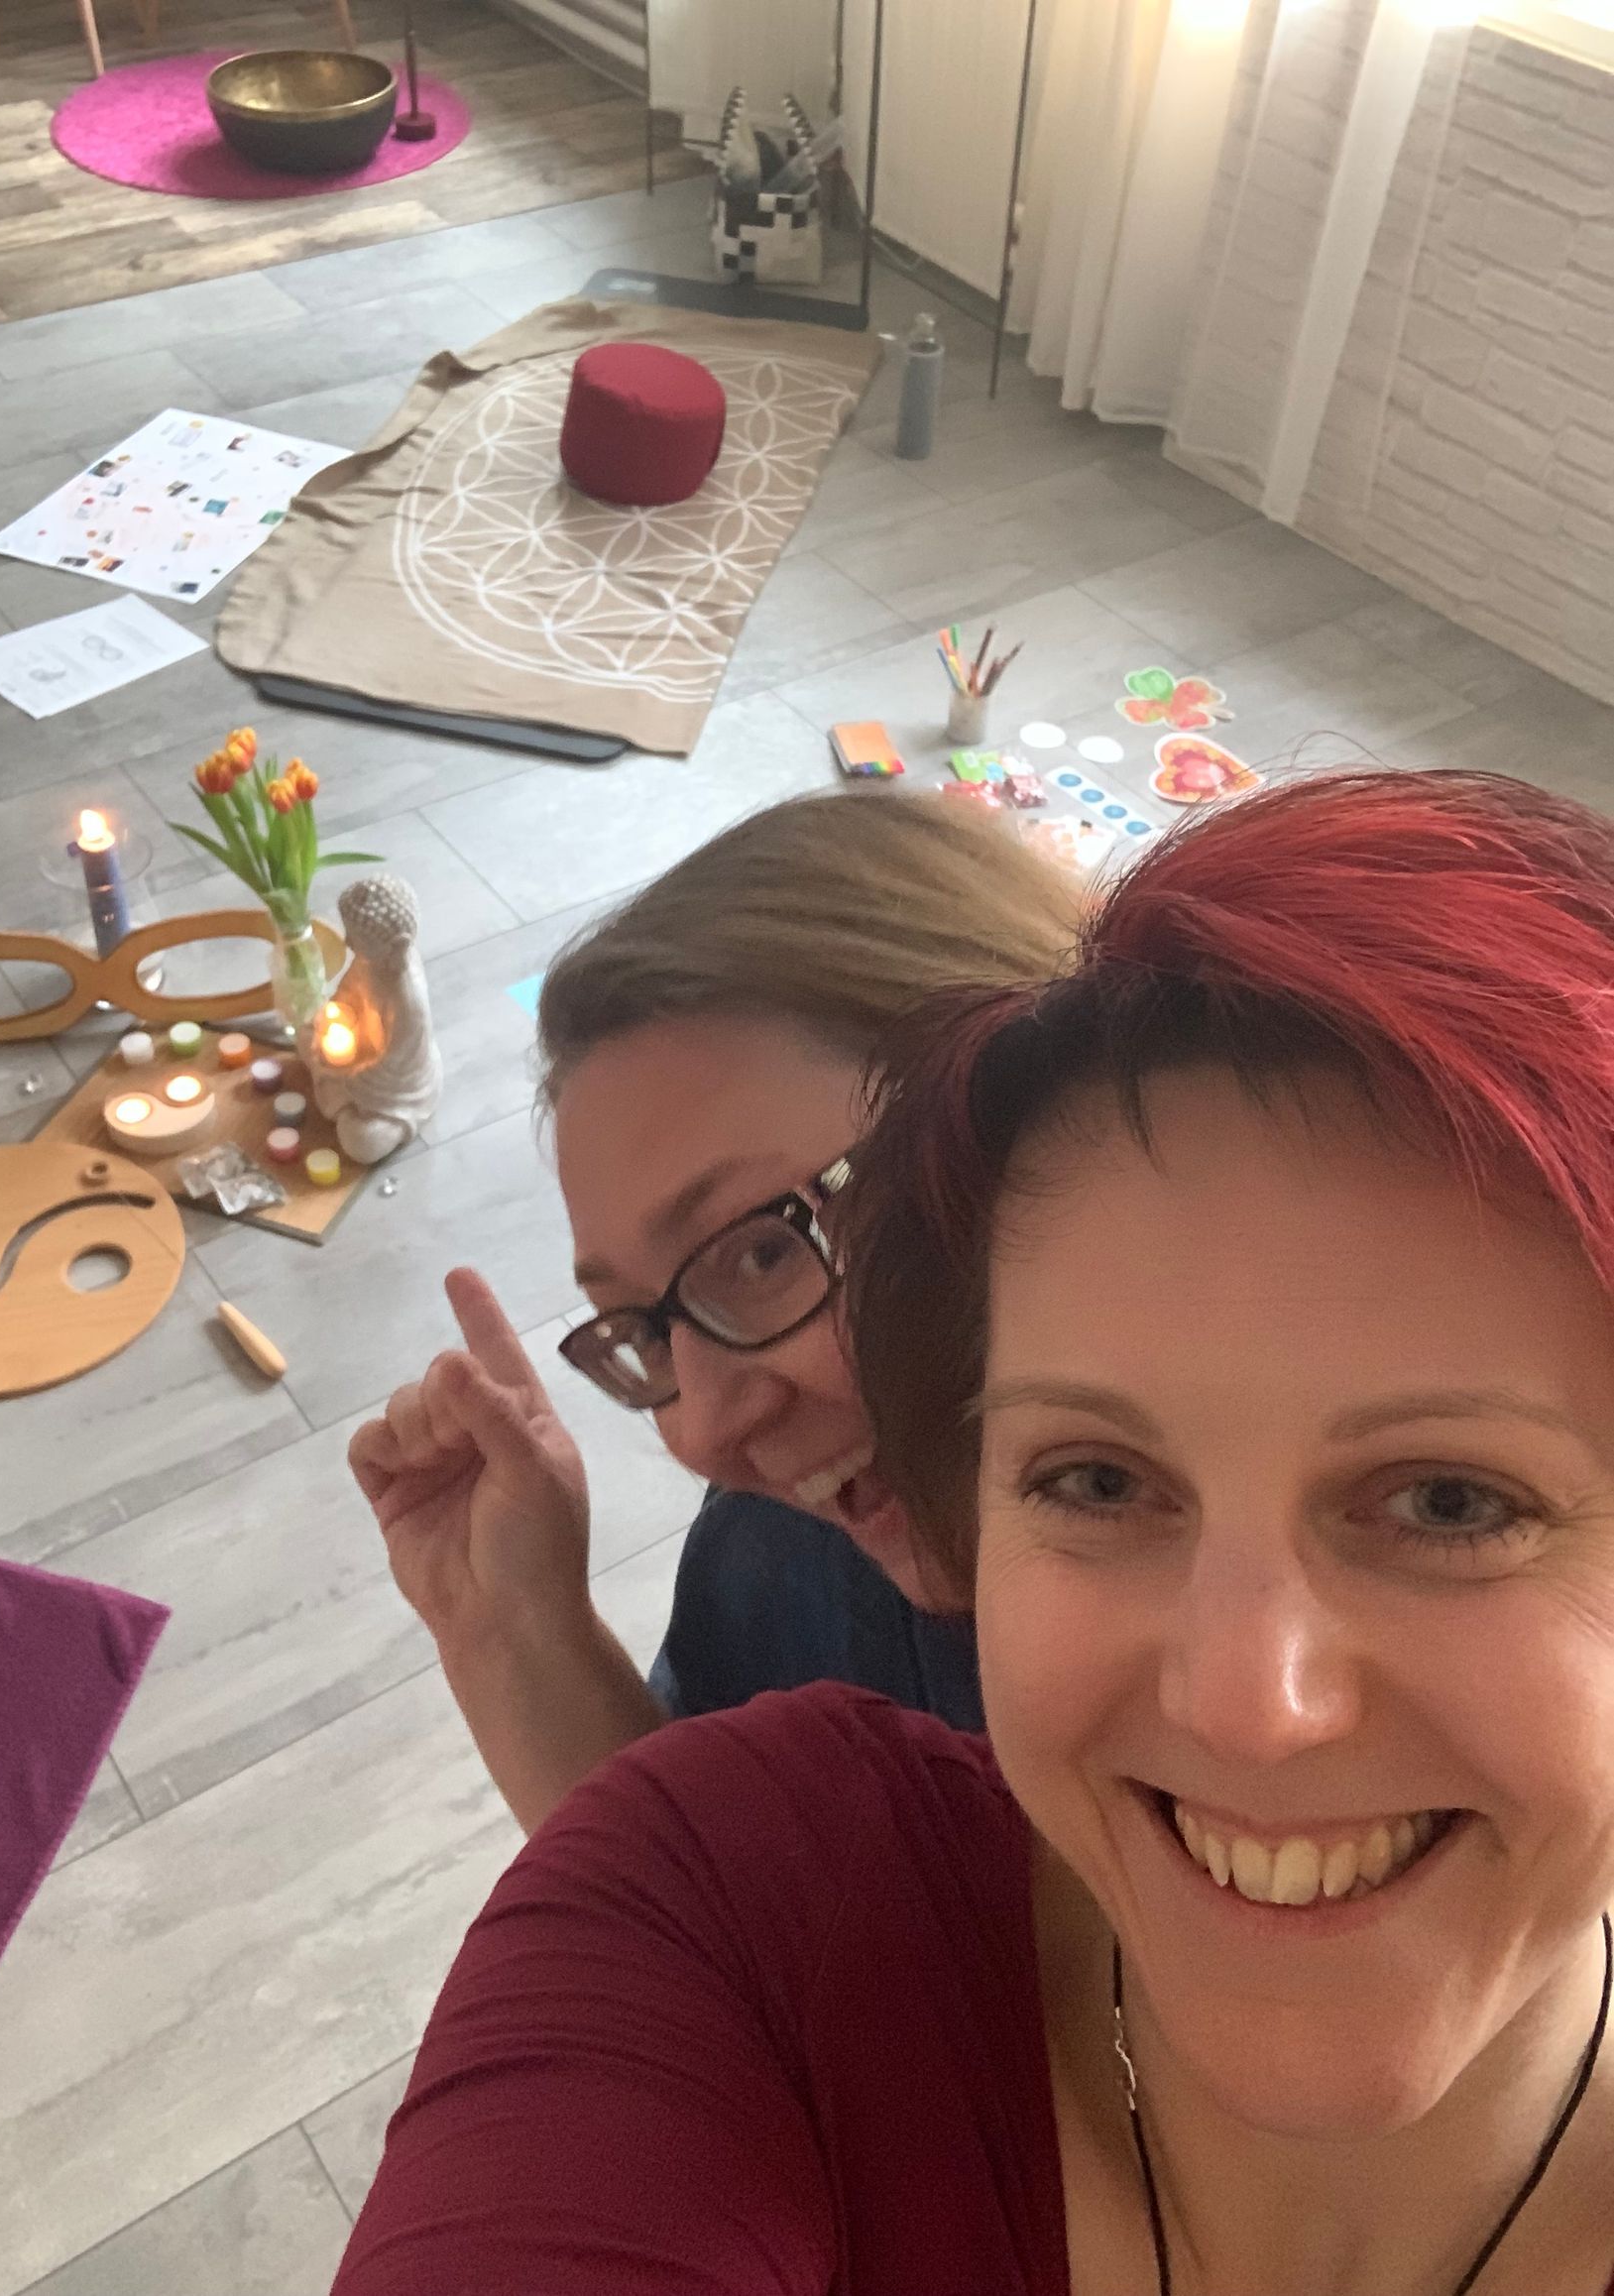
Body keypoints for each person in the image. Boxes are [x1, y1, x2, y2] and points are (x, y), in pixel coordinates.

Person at [336, 769, 1614, 2296]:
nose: (702, 1426)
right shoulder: (781, 1571)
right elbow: (714, 1917)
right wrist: (518, 1637)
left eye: (1449, 1503)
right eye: (1095, 1480)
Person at [348, 791, 1081, 1829]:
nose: (701, 1428)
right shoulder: (792, 1550)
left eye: (761, 1254)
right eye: (644, 1331)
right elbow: (712, 1888)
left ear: (1040, 1104)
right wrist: (509, 1629)